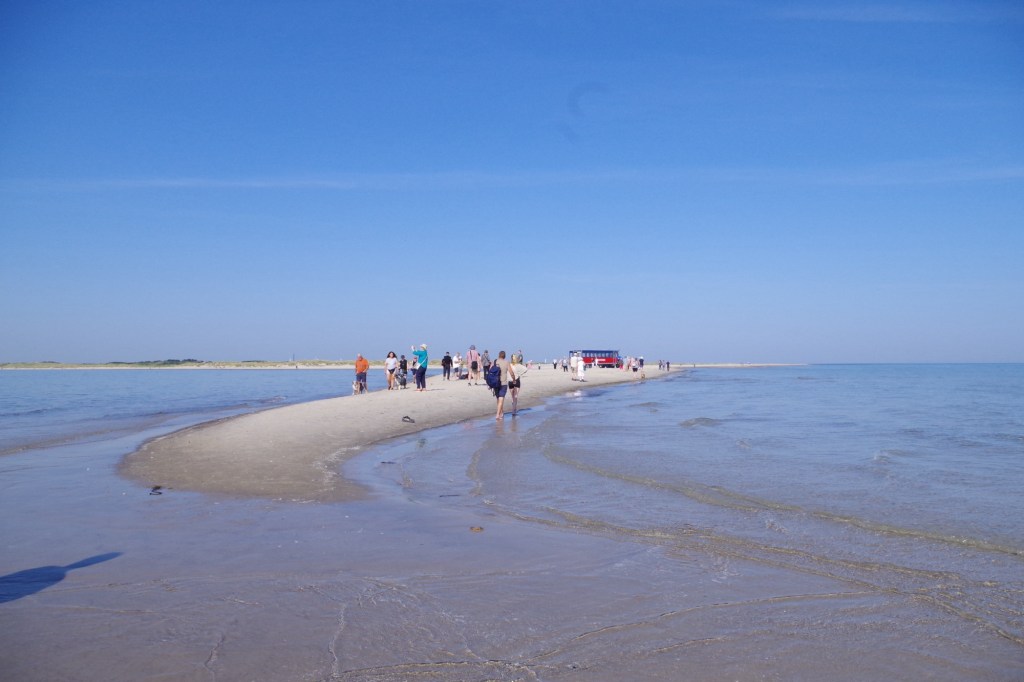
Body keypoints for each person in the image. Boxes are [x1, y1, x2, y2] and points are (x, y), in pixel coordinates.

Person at [492, 350, 513, 420]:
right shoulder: (506, 362)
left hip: (495, 383)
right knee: (501, 399)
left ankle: (501, 413)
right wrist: (514, 379)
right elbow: (511, 372)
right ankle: (497, 415)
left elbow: (490, 371)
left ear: (499, 355)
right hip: (503, 383)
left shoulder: (495, 361)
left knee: (498, 398)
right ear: (504, 356)